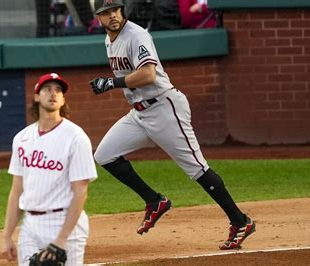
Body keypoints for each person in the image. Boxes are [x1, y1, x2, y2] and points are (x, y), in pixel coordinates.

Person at [89, 0, 255, 250]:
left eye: (115, 9)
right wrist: (115, 83)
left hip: (165, 109)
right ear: (98, 17)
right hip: (140, 113)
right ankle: (154, 201)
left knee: (197, 168)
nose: (112, 15)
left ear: (122, 10)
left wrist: (112, 83)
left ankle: (240, 221)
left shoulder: (136, 35)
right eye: (105, 12)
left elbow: (148, 75)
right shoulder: (109, 40)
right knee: (105, 155)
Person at [2, 73, 98, 265]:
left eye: (58, 90)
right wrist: (7, 235)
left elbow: (80, 192)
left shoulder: (75, 137)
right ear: (37, 96)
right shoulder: (21, 138)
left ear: (63, 100)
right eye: (47, 89)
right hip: (30, 225)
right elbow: (17, 190)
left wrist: (62, 239)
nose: (53, 93)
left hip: (64, 224)